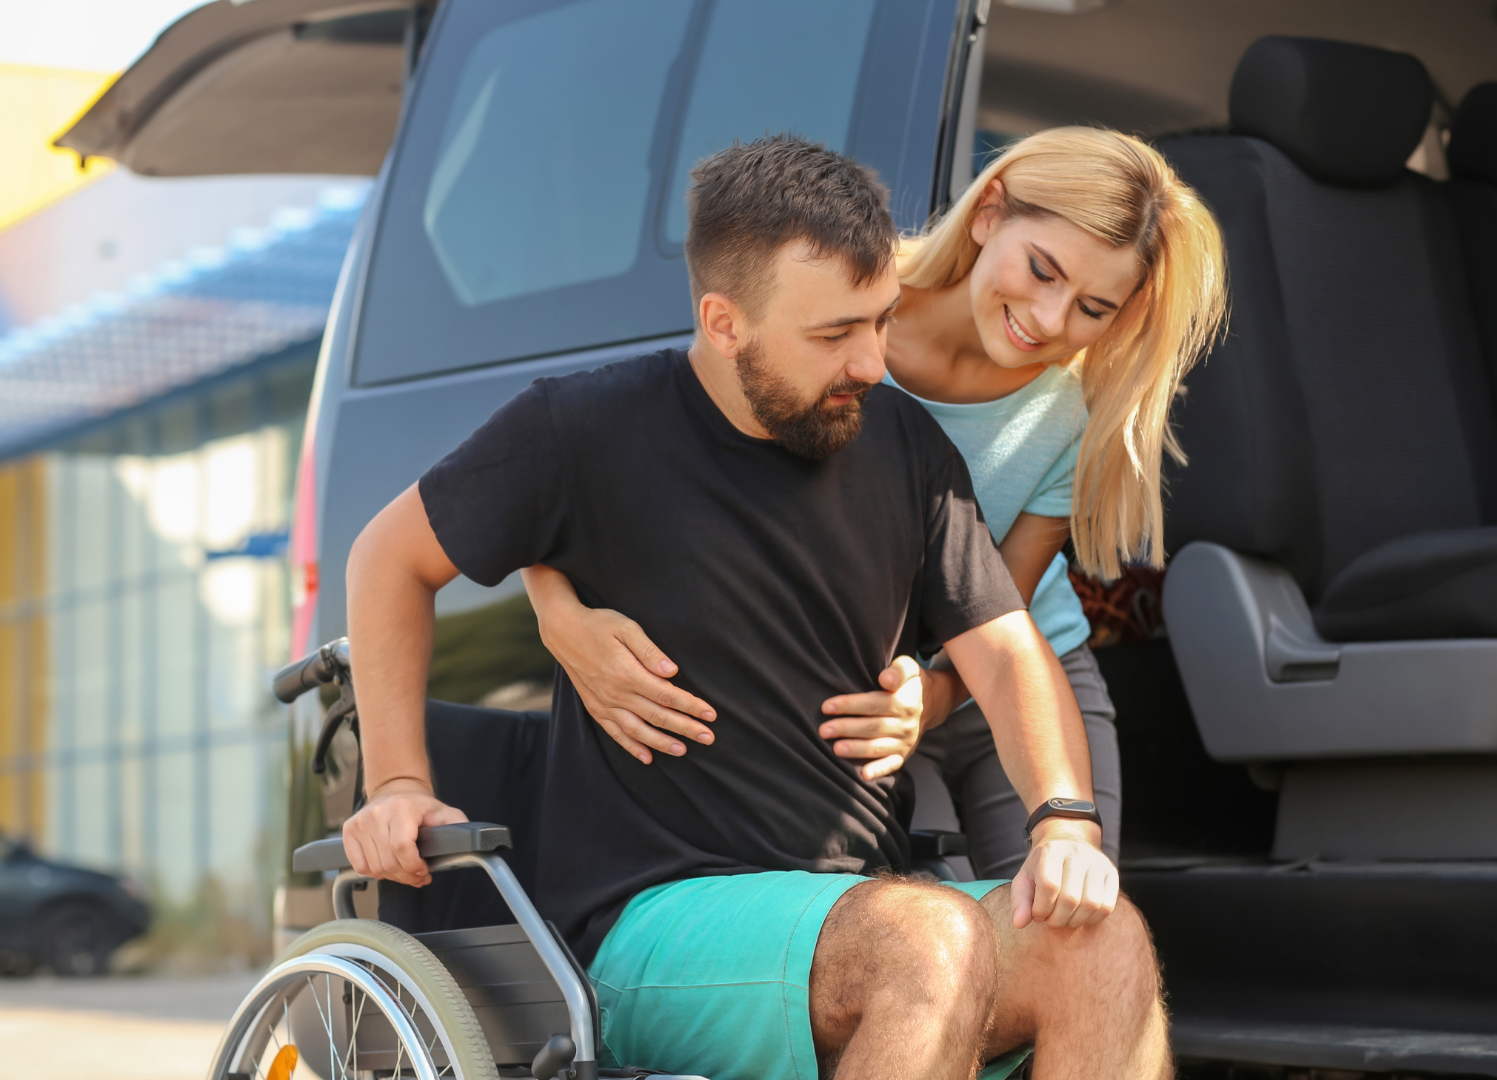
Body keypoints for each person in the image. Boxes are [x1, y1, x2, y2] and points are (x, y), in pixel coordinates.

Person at [341, 135, 1168, 1080]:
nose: (871, 361)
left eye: (880, 322)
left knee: (1105, 944)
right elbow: (387, 560)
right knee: (927, 944)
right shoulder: (579, 429)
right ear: (724, 323)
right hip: (656, 921)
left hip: (857, 909)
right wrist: (397, 783)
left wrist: (1066, 825)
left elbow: (1011, 655)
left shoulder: (907, 448)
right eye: (833, 336)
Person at [522, 127, 1227, 871]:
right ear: (989, 212)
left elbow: (1000, 618)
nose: (1051, 322)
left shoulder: (1078, 406)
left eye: (1093, 307)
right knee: (912, 942)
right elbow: (617, 458)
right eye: (1042, 270)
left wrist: (936, 698)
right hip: (847, 693)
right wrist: (555, 611)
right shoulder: (830, 304)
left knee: (1071, 920)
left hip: (1007, 677)